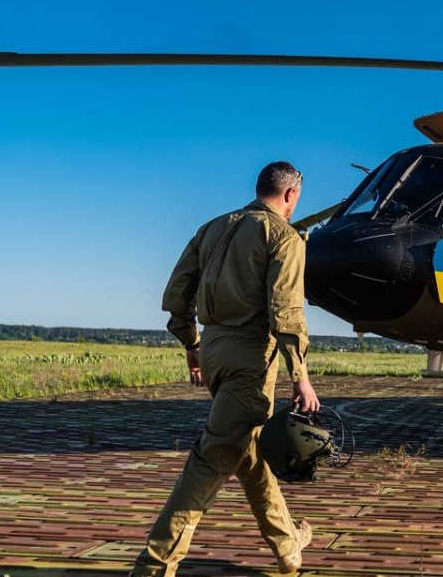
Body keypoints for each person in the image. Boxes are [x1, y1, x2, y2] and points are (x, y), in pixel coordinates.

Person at [131, 161, 321, 577]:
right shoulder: (284, 237)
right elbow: (286, 311)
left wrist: (192, 345)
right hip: (250, 360)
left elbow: (177, 293)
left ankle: (288, 546)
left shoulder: (212, 228)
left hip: (215, 351)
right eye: (296, 201)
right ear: (290, 195)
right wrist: (301, 376)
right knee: (211, 459)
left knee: (249, 453)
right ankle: (153, 565)